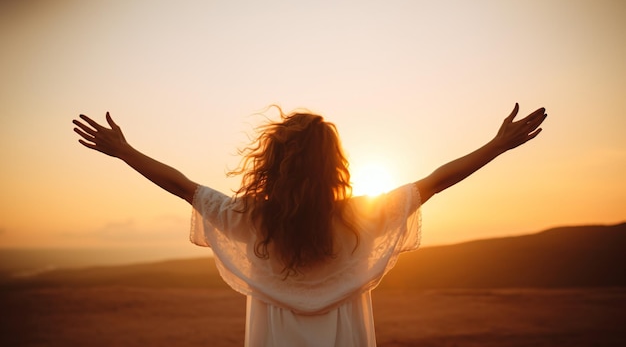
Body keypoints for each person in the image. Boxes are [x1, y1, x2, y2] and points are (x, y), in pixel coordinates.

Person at [72, 103, 547, 347]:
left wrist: (126, 152)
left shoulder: (251, 218)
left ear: (272, 162)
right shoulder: (359, 217)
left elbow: (184, 187)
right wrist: (497, 145)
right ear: (333, 166)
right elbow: (435, 182)